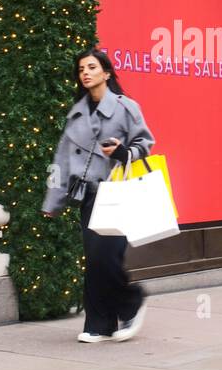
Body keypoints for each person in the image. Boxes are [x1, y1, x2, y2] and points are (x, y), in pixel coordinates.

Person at [41, 47, 155, 342]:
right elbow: (62, 159)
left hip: (116, 191)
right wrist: (53, 200)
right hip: (88, 196)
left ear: (106, 73)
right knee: (94, 259)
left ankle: (132, 300)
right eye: (81, 69)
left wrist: (122, 151)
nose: (86, 73)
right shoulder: (76, 114)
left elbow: (146, 142)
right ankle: (100, 325)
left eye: (91, 67)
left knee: (107, 257)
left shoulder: (125, 107)